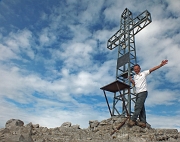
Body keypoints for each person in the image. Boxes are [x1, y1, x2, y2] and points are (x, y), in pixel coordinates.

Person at [128, 60, 168, 128]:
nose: (136, 70)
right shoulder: (135, 76)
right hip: (137, 93)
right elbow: (135, 84)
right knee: (141, 107)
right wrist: (131, 80)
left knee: (137, 106)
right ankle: (143, 122)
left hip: (143, 92)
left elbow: (152, 69)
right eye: (135, 69)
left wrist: (160, 65)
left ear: (140, 69)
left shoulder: (144, 73)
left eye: (137, 69)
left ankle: (133, 120)